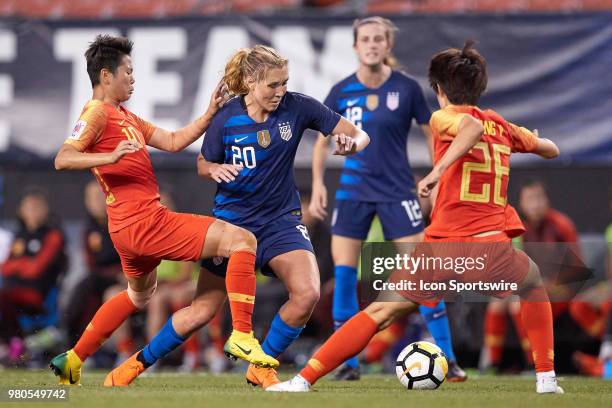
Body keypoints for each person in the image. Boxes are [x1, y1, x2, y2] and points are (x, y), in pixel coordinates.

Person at [267, 41, 564, 394]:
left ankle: (302, 380)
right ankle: (546, 379)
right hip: (491, 249)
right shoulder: (501, 125)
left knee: (378, 314)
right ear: (480, 86)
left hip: (443, 249)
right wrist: (536, 140)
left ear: (439, 91)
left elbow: (470, 128)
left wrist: (437, 170)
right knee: (532, 285)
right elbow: (550, 149)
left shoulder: (444, 117)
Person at [107, 44, 369, 388]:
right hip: (231, 226)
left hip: (281, 221)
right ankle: (135, 365)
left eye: (284, 83)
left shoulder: (300, 106)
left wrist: (353, 144)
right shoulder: (227, 117)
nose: (280, 92)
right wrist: (213, 168)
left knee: (307, 294)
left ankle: (260, 366)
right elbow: (202, 163)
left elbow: (359, 134)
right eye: (272, 85)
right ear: (249, 81)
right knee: (202, 311)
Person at [49, 34, 278, 386]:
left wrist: (208, 114)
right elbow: (63, 158)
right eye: (128, 71)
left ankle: (74, 359)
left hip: (126, 229)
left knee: (139, 295)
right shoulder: (96, 112)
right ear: (106, 76)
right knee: (242, 240)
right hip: (145, 222)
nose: (133, 78)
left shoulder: (125, 116)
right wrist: (107, 157)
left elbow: (172, 142)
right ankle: (243, 337)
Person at [309, 16, 464, 381]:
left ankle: (450, 359)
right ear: (355, 46)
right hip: (353, 192)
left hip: (398, 192)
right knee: (346, 275)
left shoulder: (407, 89)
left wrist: (437, 178)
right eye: (366, 39)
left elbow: (433, 135)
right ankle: (347, 365)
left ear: (388, 46)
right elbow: (321, 141)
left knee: (423, 275)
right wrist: (318, 183)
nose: (373, 44)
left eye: (379, 38)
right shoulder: (341, 91)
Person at [482, 180, 583, 371]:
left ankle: (533, 364)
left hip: (562, 289)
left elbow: (576, 270)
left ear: (547, 200)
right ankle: (490, 364)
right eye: (530, 199)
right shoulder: (516, 228)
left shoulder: (561, 225)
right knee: (498, 300)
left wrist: (550, 283)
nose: (535, 204)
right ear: (521, 204)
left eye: (539, 197)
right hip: (531, 286)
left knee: (516, 303)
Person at [0, 189, 66, 364]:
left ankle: (16, 345)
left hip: (38, 294)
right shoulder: (18, 236)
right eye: (29, 208)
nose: (33, 212)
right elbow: (5, 268)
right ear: (21, 211)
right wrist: (23, 265)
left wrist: (18, 265)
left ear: (45, 211)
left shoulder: (53, 235)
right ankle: (14, 345)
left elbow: (36, 268)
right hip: (12, 292)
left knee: (3, 299)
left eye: (37, 208)